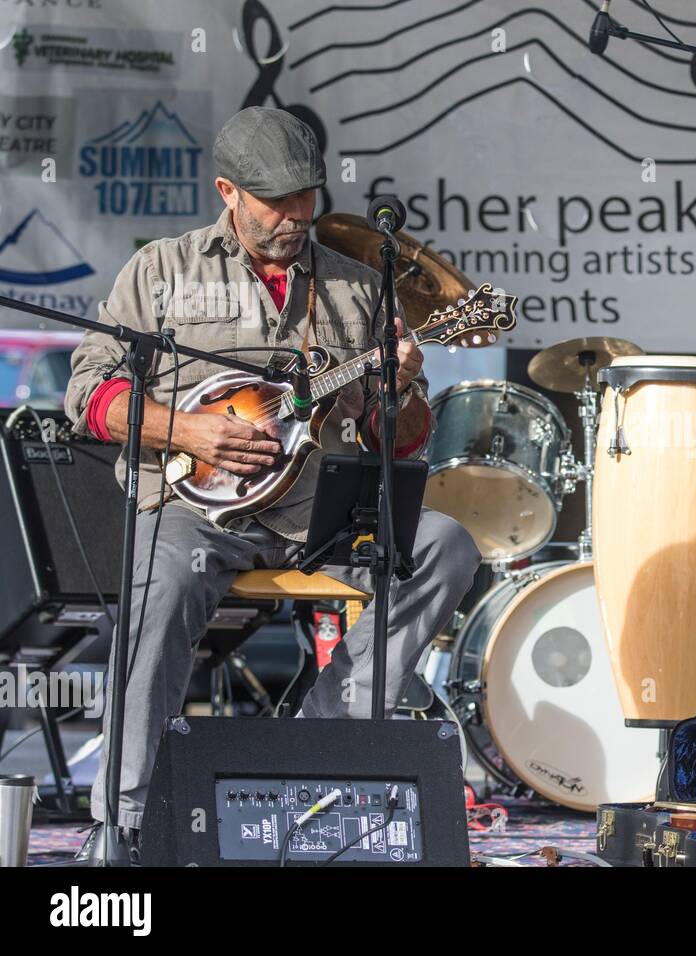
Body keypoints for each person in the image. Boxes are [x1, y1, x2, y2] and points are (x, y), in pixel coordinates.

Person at [64, 107, 481, 858]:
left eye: (306, 198)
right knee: (158, 597)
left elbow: (403, 443)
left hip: (314, 510)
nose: (295, 217)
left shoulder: (355, 289)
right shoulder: (161, 271)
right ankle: (121, 818)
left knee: (445, 546)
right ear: (227, 190)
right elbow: (89, 395)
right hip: (193, 511)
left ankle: (316, 744)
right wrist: (187, 430)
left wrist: (400, 391)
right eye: (275, 201)